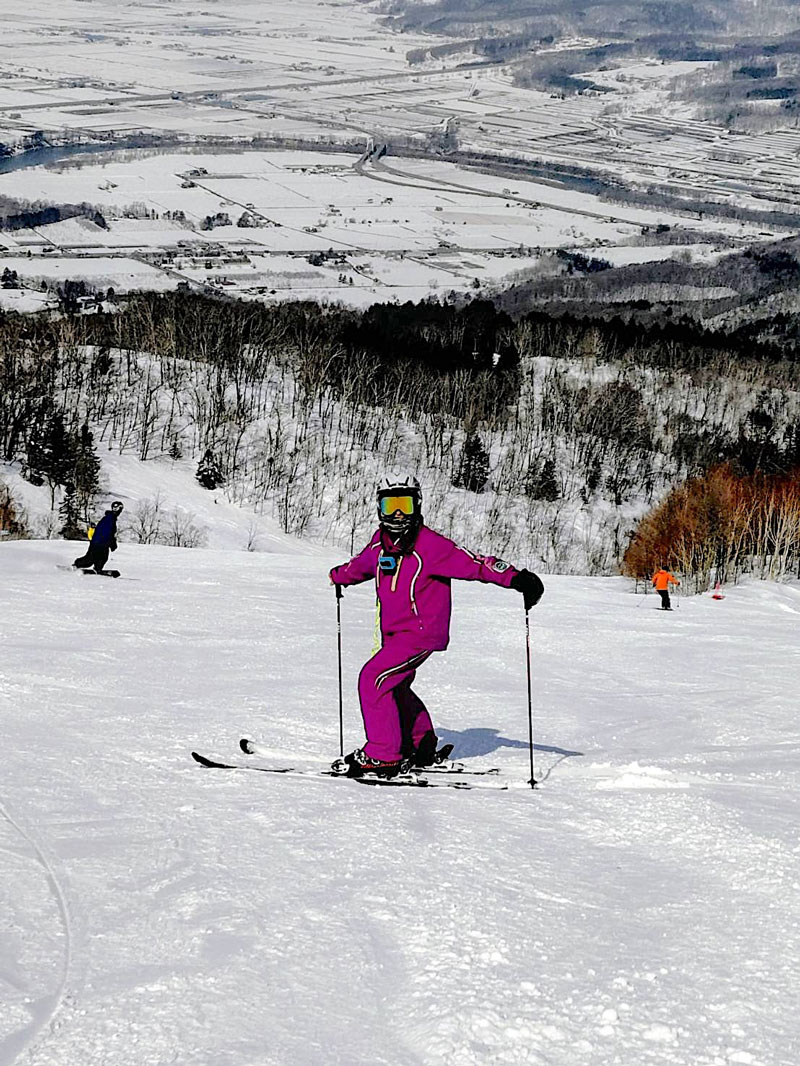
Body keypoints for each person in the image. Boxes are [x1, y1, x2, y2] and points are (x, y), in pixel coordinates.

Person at [329, 479, 544, 778]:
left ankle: (383, 754)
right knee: (395, 685)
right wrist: (338, 576)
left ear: (417, 505)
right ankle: (421, 746)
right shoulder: (380, 543)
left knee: (373, 679)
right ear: (379, 508)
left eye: (405, 506)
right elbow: (361, 566)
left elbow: (477, 564)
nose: (398, 515)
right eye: (391, 506)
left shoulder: (431, 546)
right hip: (393, 635)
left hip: (420, 633)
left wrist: (516, 578)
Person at [73, 500, 123, 574]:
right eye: (118, 509)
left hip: (99, 542)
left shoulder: (109, 518)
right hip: (100, 543)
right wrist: (112, 543)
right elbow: (107, 533)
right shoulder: (110, 519)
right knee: (92, 559)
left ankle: (96, 568)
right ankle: (77, 565)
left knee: (100, 558)